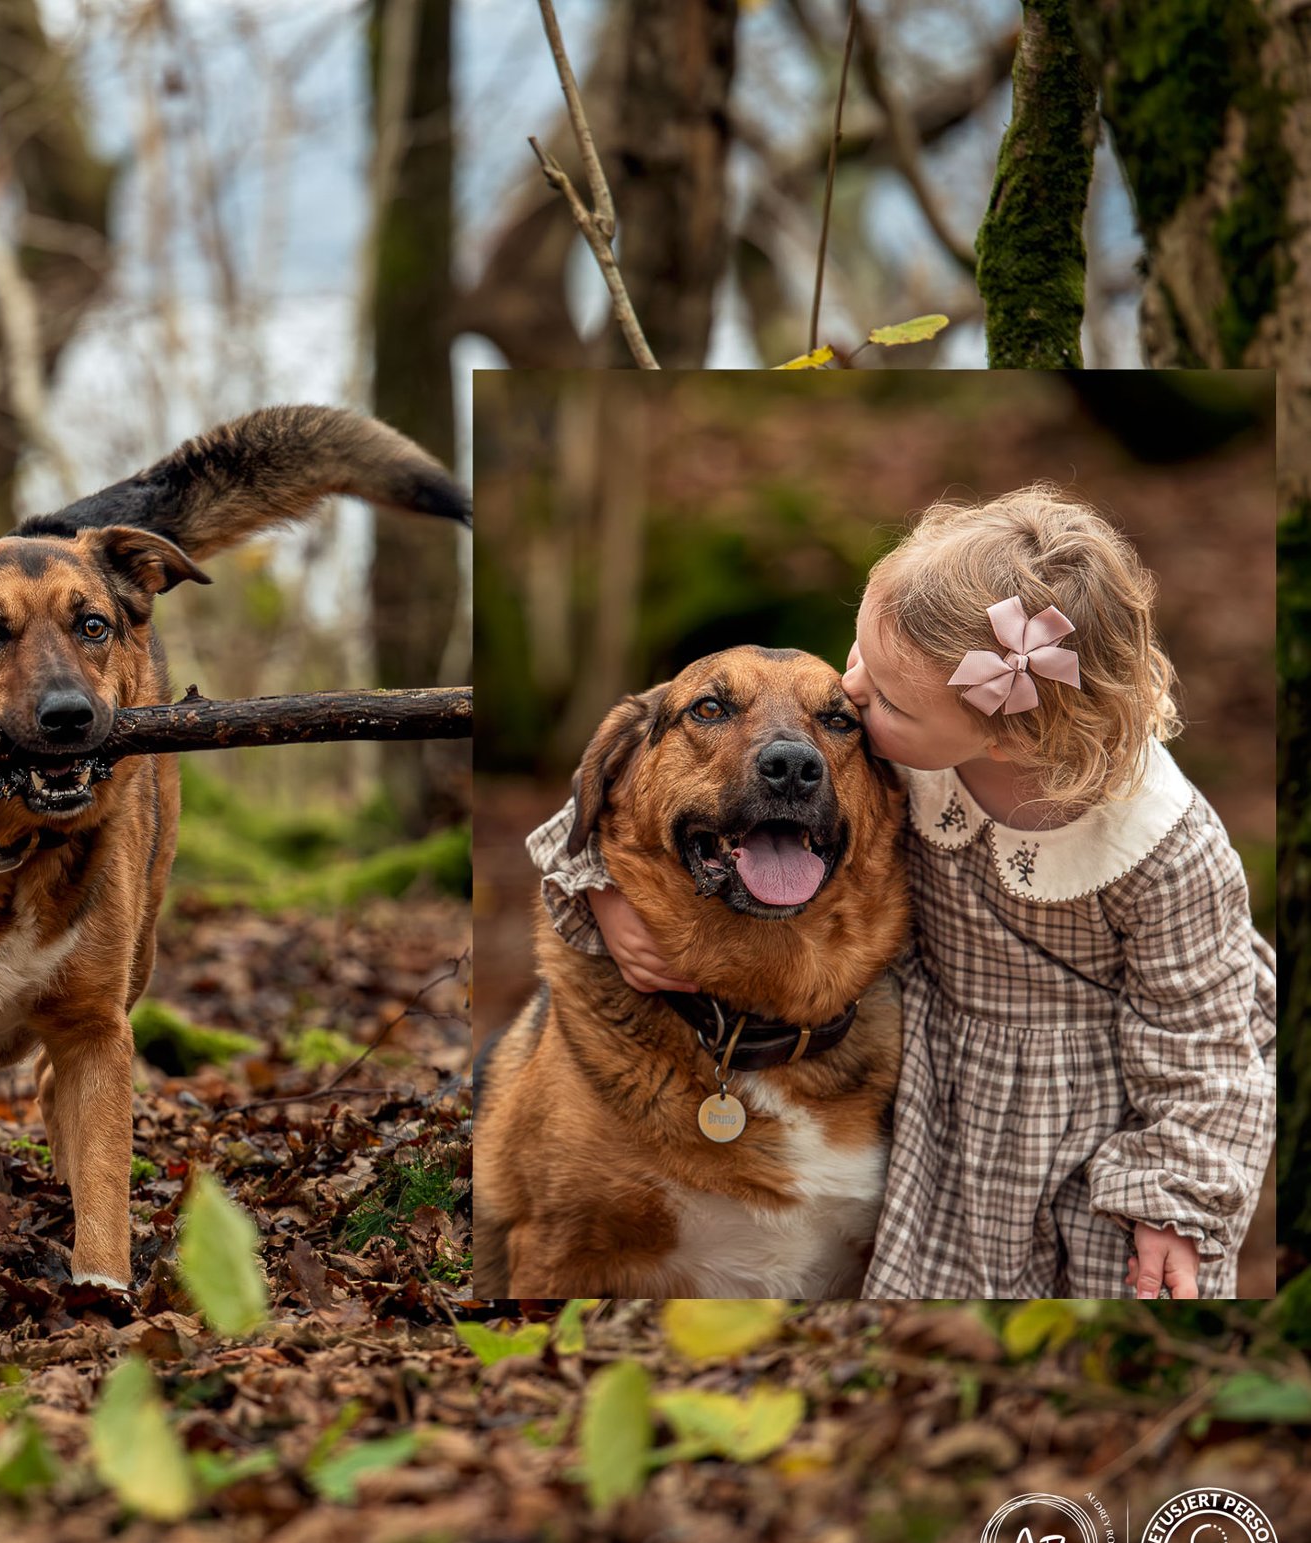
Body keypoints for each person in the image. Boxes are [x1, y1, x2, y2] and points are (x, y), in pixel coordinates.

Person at [527, 487, 1274, 1300]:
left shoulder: (1161, 846)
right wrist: (604, 894)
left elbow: (1207, 1040)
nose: (845, 699)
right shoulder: (916, 748)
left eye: (869, 703)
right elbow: (604, 811)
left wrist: (1176, 1204)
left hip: (1110, 1127)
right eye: (858, 661)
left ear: (1007, 733)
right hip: (950, 1115)